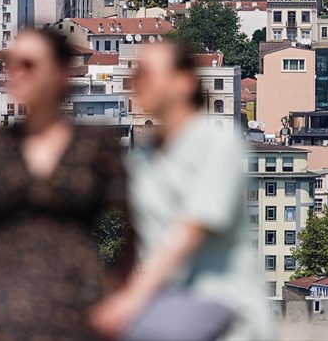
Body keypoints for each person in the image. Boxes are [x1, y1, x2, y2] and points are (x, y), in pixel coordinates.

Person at [91, 41, 274, 341]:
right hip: (166, 302)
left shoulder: (217, 144)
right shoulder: (142, 158)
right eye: (135, 75)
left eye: (147, 74)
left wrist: (132, 300)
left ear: (183, 83)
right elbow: (134, 241)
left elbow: (189, 231)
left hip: (219, 299)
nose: (136, 83)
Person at [0, 27, 129, 341]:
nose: (16, 74)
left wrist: (120, 290)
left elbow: (131, 221)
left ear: (60, 72)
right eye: (10, 64)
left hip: (76, 298)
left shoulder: (95, 142)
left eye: (29, 65)